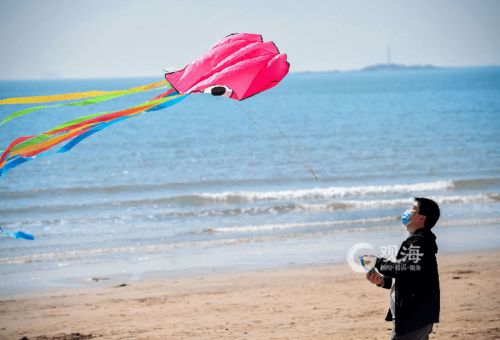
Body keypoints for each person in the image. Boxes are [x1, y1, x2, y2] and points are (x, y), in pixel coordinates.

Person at [363, 197, 440, 340]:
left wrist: (377, 262)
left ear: (421, 217)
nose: (407, 212)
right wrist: (383, 281)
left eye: (412, 208)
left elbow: (402, 269)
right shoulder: (417, 241)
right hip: (413, 315)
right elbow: (410, 276)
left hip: (415, 316)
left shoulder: (421, 243)